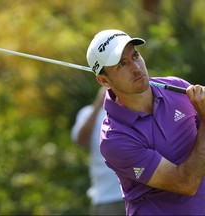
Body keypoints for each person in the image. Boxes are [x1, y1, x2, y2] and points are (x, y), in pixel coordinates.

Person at [85, 29, 205, 215]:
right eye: (122, 64)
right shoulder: (114, 139)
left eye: (135, 55)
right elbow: (185, 183)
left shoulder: (177, 88)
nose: (136, 67)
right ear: (103, 80)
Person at [71, 87, 126, 215]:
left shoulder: (130, 109)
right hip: (106, 196)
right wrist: (98, 104)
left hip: (138, 194)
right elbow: (81, 141)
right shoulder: (87, 113)